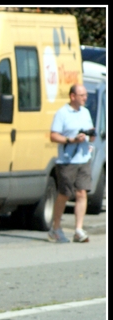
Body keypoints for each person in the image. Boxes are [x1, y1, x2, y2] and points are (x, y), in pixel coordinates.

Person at [48, 84, 96, 243]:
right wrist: (71, 139)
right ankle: (55, 228)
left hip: (83, 158)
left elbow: (91, 135)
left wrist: (90, 135)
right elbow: (53, 136)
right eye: (82, 95)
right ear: (72, 96)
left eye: (86, 95)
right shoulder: (62, 113)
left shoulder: (86, 112)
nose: (85, 98)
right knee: (65, 194)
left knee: (82, 192)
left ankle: (78, 229)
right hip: (67, 161)